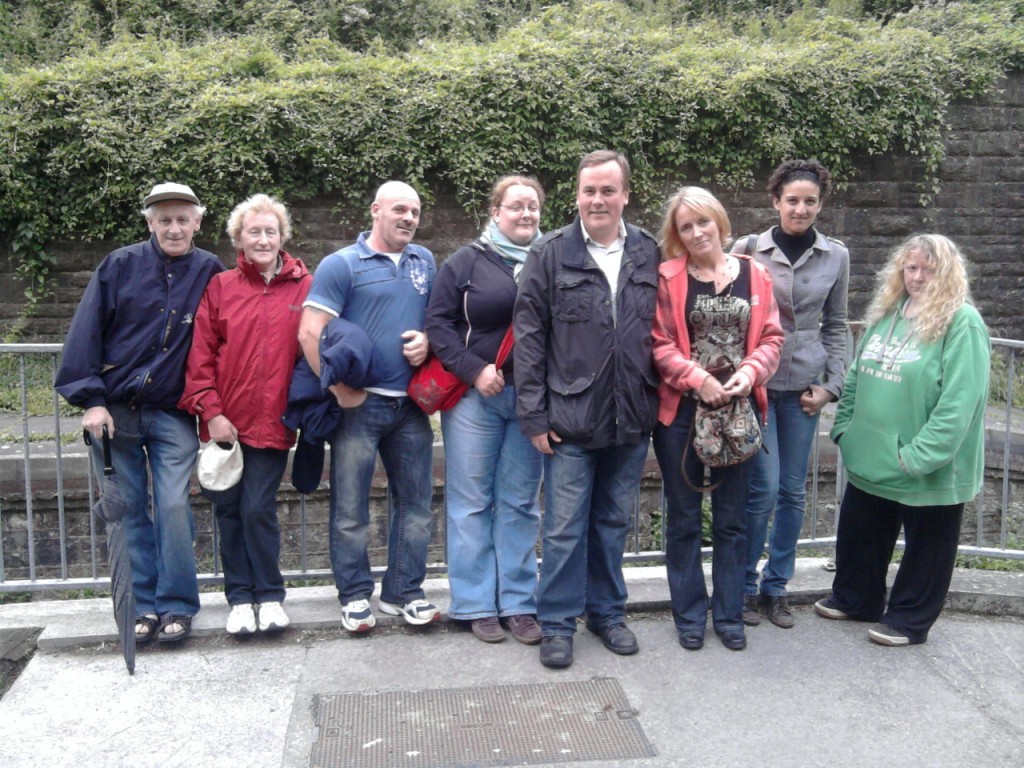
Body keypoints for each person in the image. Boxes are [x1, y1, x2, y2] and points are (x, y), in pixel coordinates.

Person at [55, 182, 224, 643]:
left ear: (197, 222)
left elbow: (223, 339)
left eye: (182, 219)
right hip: (115, 412)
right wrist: (90, 400)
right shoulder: (119, 265)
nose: (174, 227)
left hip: (172, 413)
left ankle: (178, 605)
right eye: (164, 219)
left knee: (172, 504)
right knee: (128, 510)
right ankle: (142, 606)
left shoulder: (210, 270)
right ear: (150, 222)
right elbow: (86, 332)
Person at [514, 150, 660, 669]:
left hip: (630, 414)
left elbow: (659, 331)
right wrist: (533, 414)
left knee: (613, 522)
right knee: (562, 528)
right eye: (588, 191)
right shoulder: (549, 253)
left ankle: (607, 613)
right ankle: (556, 623)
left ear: (625, 195)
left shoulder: (647, 250)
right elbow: (529, 340)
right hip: (570, 418)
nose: (597, 200)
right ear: (576, 195)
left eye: (607, 190)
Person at [815, 234, 990, 647]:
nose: (917, 277)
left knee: (928, 546)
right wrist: (845, 428)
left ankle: (909, 620)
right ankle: (857, 599)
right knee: (862, 531)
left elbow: (960, 401)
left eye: (928, 270)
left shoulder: (962, 323)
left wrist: (919, 456)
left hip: (925, 463)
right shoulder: (889, 312)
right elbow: (856, 375)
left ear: (947, 274)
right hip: (872, 456)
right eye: (910, 268)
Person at [297, 181, 438, 633]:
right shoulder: (341, 265)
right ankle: (355, 597)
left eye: (415, 211)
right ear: (375, 210)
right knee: (351, 509)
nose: (409, 218)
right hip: (361, 407)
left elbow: (439, 321)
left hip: (412, 407)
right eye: (400, 209)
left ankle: (403, 593)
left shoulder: (425, 261)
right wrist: (338, 390)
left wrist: (429, 341)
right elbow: (309, 332)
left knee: (416, 506)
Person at [651, 186, 783, 652]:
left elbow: (771, 337)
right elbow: (659, 342)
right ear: (677, 235)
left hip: (739, 412)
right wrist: (694, 378)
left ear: (719, 222)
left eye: (702, 222)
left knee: (732, 521)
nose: (696, 232)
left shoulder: (756, 274)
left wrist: (750, 372)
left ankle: (728, 615)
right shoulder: (667, 278)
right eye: (686, 226)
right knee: (684, 519)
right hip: (683, 413)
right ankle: (689, 615)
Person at [179, 194, 311, 635]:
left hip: (275, 420)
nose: (262, 238)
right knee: (229, 511)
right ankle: (239, 598)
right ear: (239, 237)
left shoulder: (303, 286)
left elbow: (313, 350)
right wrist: (210, 412)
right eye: (253, 231)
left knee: (258, 508)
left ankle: (270, 595)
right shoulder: (222, 287)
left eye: (270, 231)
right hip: (225, 424)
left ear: (282, 237)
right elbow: (200, 356)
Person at [425, 176, 545, 645]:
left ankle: (518, 602)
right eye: (515, 206)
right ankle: (476, 602)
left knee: (519, 503)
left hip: (531, 400)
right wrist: (474, 370)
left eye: (532, 206)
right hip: (477, 398)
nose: (525, 214)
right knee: (471, 501)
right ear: (495, 212)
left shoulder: (551, 259)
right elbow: (438, 323)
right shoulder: (465, 262)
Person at [737, 159, 850, 629]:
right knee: (761, 488)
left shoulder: (836, 256)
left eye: (809, 201)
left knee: (792, 492)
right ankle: (742, 583)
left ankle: (776, 587)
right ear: (775, 201)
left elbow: (837, 325)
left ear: (820, 204)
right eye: (792, 200)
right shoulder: (747, 250)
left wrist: (831, 386)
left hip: (804, 389)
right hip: (758, 388)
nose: (800, 209)